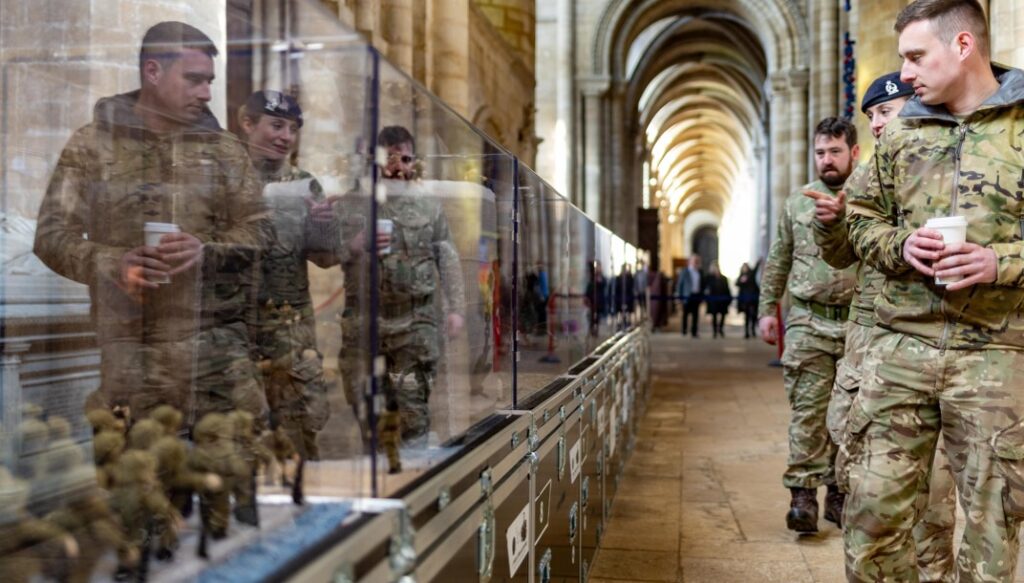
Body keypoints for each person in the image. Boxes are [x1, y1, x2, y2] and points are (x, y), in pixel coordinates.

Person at [843, 1, 1024, 579]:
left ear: (964, 46)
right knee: (871, 517)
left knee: (993, 529)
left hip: (993, 354)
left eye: (917, 56)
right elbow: (861, 216)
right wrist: (901, 247)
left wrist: (1000, 262)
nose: (908, 72)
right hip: (900, 349)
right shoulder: (900, 134)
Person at [34, 21, 270, 424]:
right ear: (153, 72)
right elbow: (51, 235)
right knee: (141, 478)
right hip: (131, 358)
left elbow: (262, 230)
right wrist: (113, 263)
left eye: (209, 81)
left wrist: (207, 250)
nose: (207, 93)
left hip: (217, 360)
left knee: (230, 476)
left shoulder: (226, 151)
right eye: (194, 79)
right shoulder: (92, 145)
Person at [809, 71, 956, 580]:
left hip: (925, 352)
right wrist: (831, 225)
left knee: (932, 506)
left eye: (884, 113)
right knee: (868, 496)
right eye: (870, 117)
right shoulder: (869, 176)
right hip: (869, 347)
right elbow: (842, 255)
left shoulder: (944, 168)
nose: (876, 124)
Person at [757, 117, 858, 533]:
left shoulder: (870, 197)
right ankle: (803, 496)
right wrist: (767, 308)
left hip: (857, 323)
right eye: (820, 152)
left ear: (854, 151)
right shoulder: (797, 202)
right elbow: (779, 257)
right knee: (808, 410)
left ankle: (839, 493)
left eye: (835, 151)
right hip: (806, 320)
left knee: (849, 414)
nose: (827, 160)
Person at [338, 125, 465, 446]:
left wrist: (456, 309)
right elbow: (324, 253)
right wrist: (354, 245)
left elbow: (447, 257)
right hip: (367, 326)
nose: (398, 167)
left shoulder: (428, 206)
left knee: (411, 413)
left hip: (415, 325)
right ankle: (382, 478)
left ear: (413, 163)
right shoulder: (353, 203)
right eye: (391, 158)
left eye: (406, 159)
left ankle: (412, 480)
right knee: (369, 414)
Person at [238, 90, 339, 460]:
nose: (285, 136)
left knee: (298, 440)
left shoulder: (304, 184)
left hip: (290, 338)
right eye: (276, 125)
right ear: (248, 123)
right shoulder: (227, 179)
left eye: (293, 129)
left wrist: (324, 226)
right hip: (234, 334)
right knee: (241, 443)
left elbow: (327, 259)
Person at [675, 255, 703, 337]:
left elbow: (702, 284)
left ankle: (694, 332)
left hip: (696, 295)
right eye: (694, 260)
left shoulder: (699, 271)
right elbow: (680, 284)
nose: (696, 262)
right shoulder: (685, 271)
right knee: (685, 314)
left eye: (697, 260)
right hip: (687, 295)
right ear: (690, 261)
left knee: (695, 315)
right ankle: (684, 330)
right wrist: (679, 296)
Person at [702, 262, 730, 338]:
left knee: (723, 315)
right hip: (713, 300)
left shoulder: (724, 278)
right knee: (714, 315)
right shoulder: (710, 278)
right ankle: (714, 331)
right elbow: (705, 285)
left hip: (722, 300)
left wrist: (728, 299)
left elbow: (727, 289)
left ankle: (720, 329)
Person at [735, 262, 760, 339]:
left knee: (753, 315)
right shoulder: (741, 276)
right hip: (745, 299)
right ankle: (746, 332)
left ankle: (752, 330)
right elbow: (736, 283)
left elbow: (755, 269)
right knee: (746, 316)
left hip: (753, 298)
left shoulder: (751, 274)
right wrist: (741, 281)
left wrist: (759, 261)